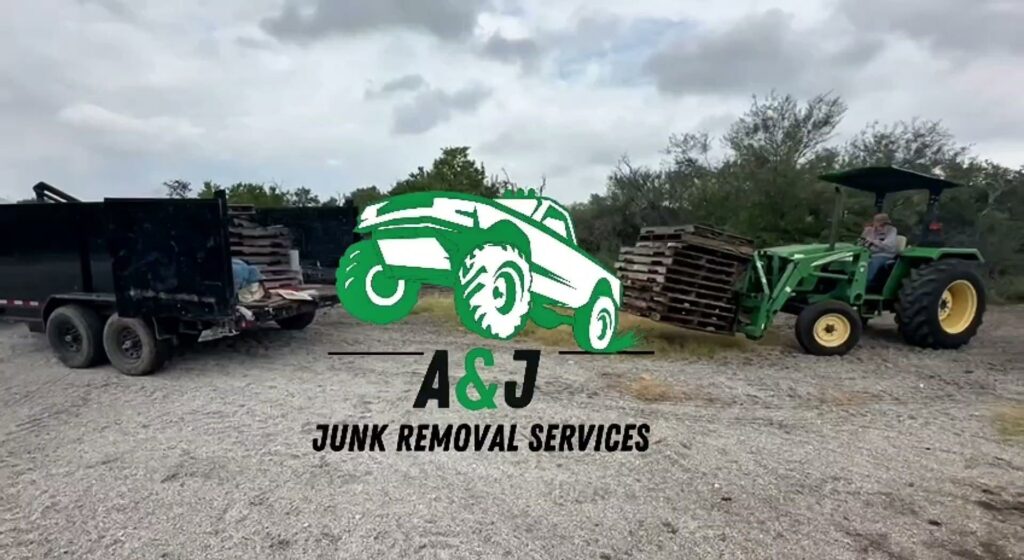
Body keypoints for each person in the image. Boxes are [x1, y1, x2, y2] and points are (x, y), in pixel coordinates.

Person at [861, 213, 899, 285]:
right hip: (869, 253)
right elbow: (862, 242)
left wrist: (874, 241)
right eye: (878, 224)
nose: (881, 227)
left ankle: (866, 283)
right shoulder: (870, 230)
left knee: (874, 262)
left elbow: (890, 246)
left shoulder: (892, 230)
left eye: (884, 224)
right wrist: (866, 236)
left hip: (885, 254)